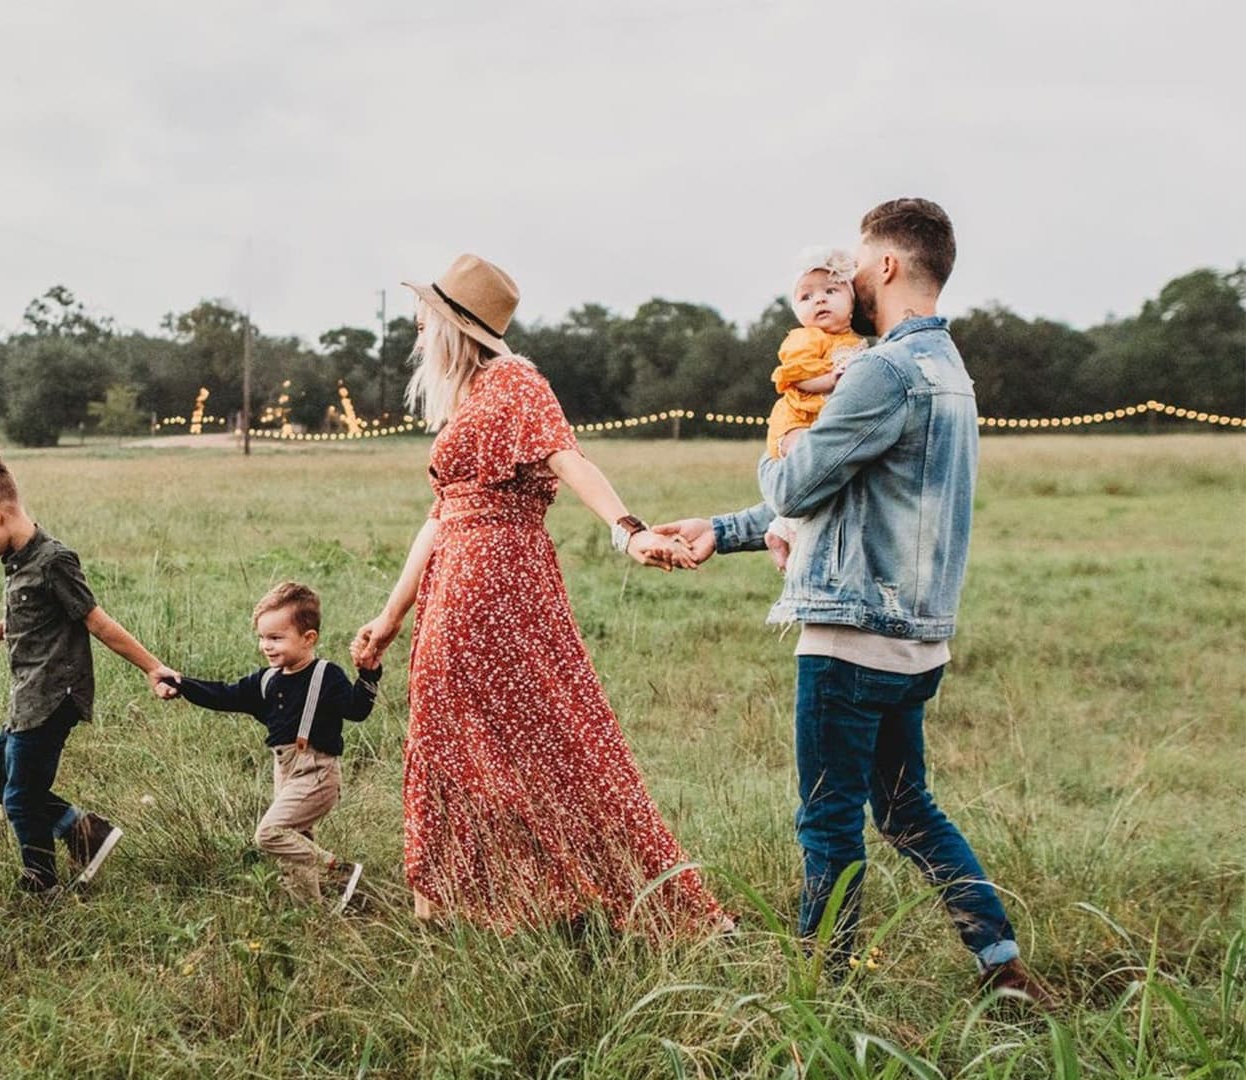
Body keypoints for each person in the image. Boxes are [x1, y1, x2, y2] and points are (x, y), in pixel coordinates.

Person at [655, 199, 1053, 1002]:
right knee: (908, 811)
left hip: (850, 638)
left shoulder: (880, 370)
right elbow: (847, 496)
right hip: (917, 642)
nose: (849, 280)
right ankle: (1001, 965)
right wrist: (723, 529)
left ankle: (821, 996)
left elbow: (799, 481)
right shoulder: (949, 371)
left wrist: (784, 449)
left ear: (890, 267)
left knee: (827, 822)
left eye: (859, 265)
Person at [350, 253, 728, 933]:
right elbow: (439, 518)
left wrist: (628, 530)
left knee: (545, 737)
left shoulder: (515, 382)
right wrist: (389, 617)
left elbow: (568, 457)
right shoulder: (467, 398)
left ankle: (570, 894)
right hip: (456, 581)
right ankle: (460, 903)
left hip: (497, 580)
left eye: (424, 316)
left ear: (453, 326)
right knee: (450, 740)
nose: (415, 327)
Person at [0, 452, 180, 895]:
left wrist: (153, 668)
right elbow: (34, 617)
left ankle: (41, 883)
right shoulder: (17, 560)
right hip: (27, 695)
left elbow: (97, 621)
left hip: (53, 697)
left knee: (20, 797)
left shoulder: (53, 560)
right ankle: (84, 833)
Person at [164, 581, 376, 911]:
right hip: (285, 772)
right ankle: (312, 916)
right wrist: (182, 685)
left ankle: (338, 871)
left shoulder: (326, 676)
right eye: (263, 637)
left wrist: (368, 675)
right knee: (294, 848)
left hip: (317, 773)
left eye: (276, 638)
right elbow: (224, 694)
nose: (267, 646)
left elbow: (357, 710)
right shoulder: (266, 680)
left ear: (309, 639)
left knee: (270, 834)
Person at [764, 248, 867, 572]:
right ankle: (786, 533)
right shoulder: (806, 338)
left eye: (831, 291)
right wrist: (830, 379)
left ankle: (782, 530)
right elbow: (796, 375)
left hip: (821, 419)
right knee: (808, 464)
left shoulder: (856, 341)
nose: (819, 300)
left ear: (852, 302)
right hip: (797, 418)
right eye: (806, 297)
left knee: (823, 477)